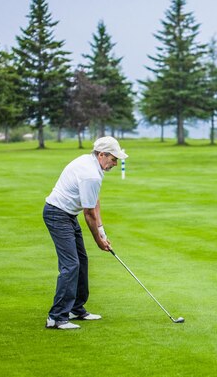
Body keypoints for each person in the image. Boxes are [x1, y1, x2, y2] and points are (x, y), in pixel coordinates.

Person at [43, 136, 128, 330]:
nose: (115, 163)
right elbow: (88, 213)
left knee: (81, 260)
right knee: (71, 265)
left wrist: (101, 231)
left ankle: (75, 308)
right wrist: (99, 241)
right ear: (101, 155)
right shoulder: (91, 174)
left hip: (67, 215)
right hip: (57, 214)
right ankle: (56, 317)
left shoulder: (93, 165)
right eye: (114, 159)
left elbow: (94, 200)